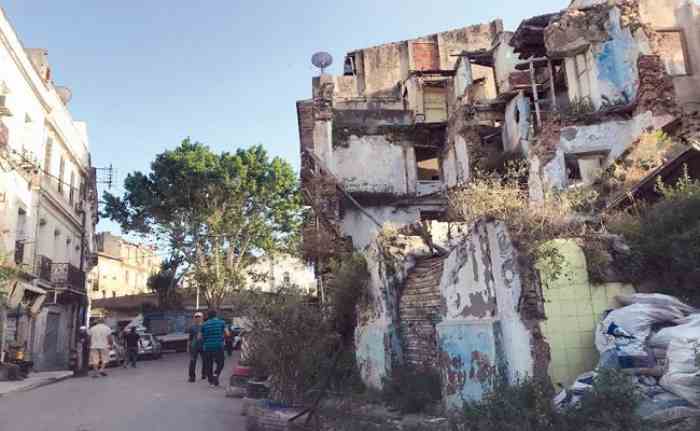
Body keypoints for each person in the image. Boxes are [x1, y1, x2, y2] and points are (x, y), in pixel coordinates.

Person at [201, 309, 228, 386]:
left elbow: (200, 337)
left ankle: (211, 381)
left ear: (208, 316)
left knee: (208, 364)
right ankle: (216, 373)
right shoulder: (222, 322)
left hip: (207, 347)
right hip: (218, 346)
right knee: (221, 362)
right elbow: (227, 333)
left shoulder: (204, 324)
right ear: (216, 315)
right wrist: (222, 337)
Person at [188, 312, 205, 382]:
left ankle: (204, 374)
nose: (197, 318)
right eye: (196, 317)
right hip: (194, 346)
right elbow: (190, 338)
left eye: (199, 317)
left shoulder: (204, 326)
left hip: (203, 345)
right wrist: (188, 347)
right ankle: (192, 377)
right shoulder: (192, 327)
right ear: (194, 318)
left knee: (205, 361)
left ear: (202, 318)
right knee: (192, 361)